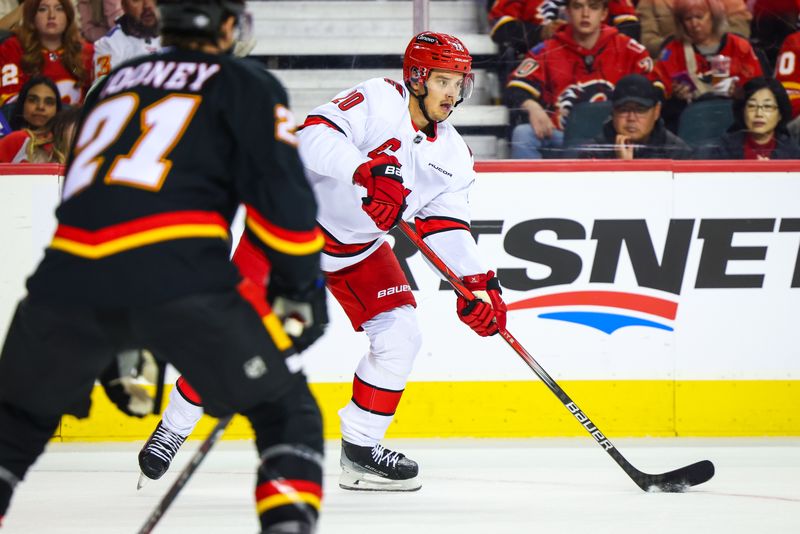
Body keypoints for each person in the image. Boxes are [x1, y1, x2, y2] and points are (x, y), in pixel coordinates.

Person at [0, 1, 328, 533]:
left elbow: (87, 192)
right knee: (287, 414)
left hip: (64, 278)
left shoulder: (115, 80)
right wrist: (302, 292)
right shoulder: (242, 81)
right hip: (175, 275)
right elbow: (283, 203)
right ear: (226, 27)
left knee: (12, 431)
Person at [137, 31, 508, 493]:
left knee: (400, 333)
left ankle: (361, 452)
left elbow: (446, 227)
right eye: (443, 81)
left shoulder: (454, 156)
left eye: (460, 83)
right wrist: (364, 170)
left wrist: (478, 283)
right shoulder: (377, 98)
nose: (453, 95)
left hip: (356, 252)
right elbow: (312, 134)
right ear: (416, 78)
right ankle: (174, 426)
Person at [504, 0, 653, 159]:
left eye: (593, 7)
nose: (585, 14)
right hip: (564, 137)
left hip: (614, 139)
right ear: (567, 11)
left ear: (604, 13)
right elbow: (516, 85)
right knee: (523, 134)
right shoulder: (547, 49)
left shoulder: (628, 48)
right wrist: (532, 106)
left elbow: (655, 88)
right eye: (577, 6)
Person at [649, 0, 763, 131]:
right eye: (688, 19)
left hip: (735, 123)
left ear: (714, 16)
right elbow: (656, 89)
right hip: (690, 124)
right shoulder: (671, 51)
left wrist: (740, 93)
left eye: (699, 17)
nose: (694, 24)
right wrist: (674, 97)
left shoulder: (739, 46)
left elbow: (759, 89)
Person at [571, 73, 692, 158]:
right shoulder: (593, 153)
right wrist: (622, 167)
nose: (631, 118)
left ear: (656, 112)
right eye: (624, 110)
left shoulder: (677, 153)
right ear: (613, 112)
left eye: (640, 110)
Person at [0, 0, 94, 106]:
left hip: (75, 121)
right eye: (42, 9)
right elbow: (8, 102)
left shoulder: (88, 52)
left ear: (68, 16)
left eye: (59, 9)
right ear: (31, 16)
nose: (51, 15)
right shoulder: (13, 48)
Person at [695, 76, 800, 158]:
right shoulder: (722, 149)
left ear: (780, 115)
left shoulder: (792, 153)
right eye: (752, 106)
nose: (759, 113)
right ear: (742, 111)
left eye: (767, 106)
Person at [635, 0, 751, 58]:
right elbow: (648, 43)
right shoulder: (649, 2)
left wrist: (708, 40)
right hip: (675, 62)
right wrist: (681, 42)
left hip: (724, 59)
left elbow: (740, 31)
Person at [0, 74, 61, 161]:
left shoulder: (66, 144)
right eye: (32, 100)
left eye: (49, 102)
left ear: (57, 110)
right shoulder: (11, 141)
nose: (40, 107)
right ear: (22, 105)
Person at [93, 0, 160, 79]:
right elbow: (104, 89)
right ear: (124, 6)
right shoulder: (109, 45)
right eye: (137, 1)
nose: (147, 5)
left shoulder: (175, 36)